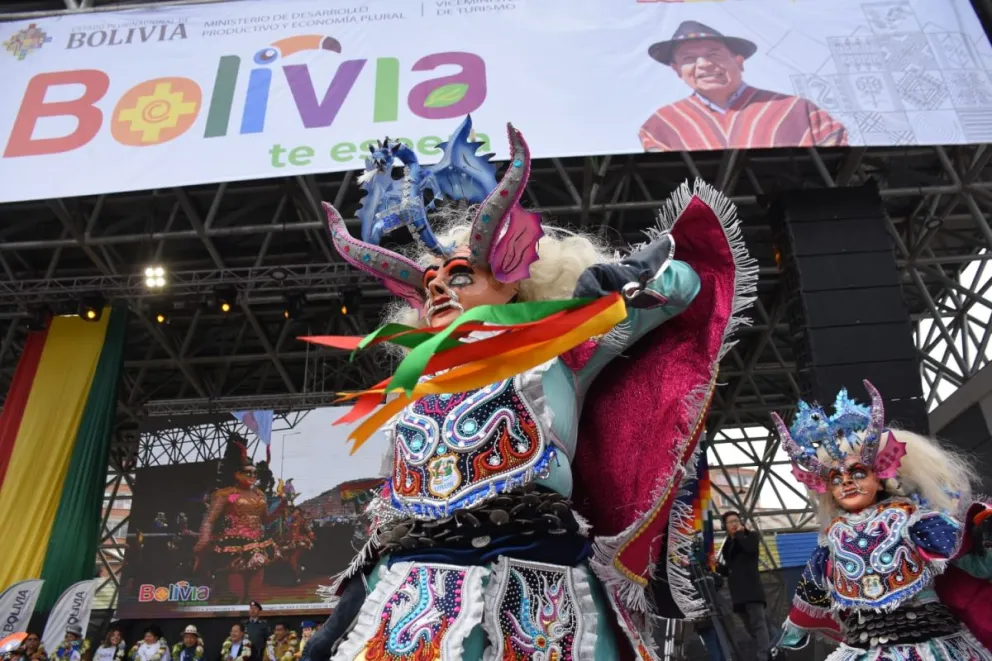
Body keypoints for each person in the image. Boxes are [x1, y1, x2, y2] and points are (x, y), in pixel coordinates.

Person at [306, 115, 756, 658]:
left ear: (512, 271)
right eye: (429, 286)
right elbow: (392, 506)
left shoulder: (557, 350)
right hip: (415, 590)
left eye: (460, 275)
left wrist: (607, 292)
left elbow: (682, 286)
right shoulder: (415, 389)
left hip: (536, 577)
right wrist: (350, 606)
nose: (441, 290)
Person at [774, 381, 992, 659]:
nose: (847, 484)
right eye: (837, 480)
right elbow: (813, 587)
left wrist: (984, 541)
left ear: (881, 476)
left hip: (930, 645)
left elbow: (970, 561)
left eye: (859, 474)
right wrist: (793, 632)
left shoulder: (914, 521)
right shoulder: (831, 540)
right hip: (865, 647)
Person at [640, 21, 848, 152]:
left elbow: (838, 158)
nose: (704, 64)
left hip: (798, 213)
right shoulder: (663, 124)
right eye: (689, 58)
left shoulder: (796, 109)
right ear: (677, 70)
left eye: (714, 54)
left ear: (739, 61)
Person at [195, 439, 284, 602]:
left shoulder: (260, 495)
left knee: (253, 597)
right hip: (233, 546)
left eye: (254, 473)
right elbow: (210, 519)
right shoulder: (227, 493)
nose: (252, 476)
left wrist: (281, 506)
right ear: (236, 474)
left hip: (259, 545)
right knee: (236, 594)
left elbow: (265, 520)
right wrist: (204, 538)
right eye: (247, 472)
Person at [717, 511, 778, 661]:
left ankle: (764, 655)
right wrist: (717, 566)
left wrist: (739, 534)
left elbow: (750, 550)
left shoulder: (750, 536)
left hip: (751, 588)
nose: (734, 524)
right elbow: (729, 570)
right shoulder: (727, 545)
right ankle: (775, 645)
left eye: (736, 520)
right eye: (730, 522)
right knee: (751, 626)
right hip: (737, 592)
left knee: (758, 623)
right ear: (725, 526)